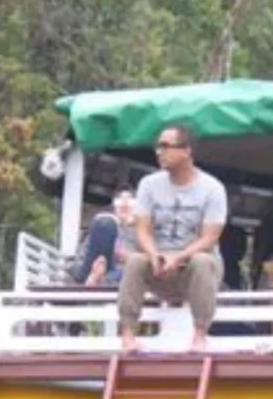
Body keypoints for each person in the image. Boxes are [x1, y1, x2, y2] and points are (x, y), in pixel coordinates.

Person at [119, 124, 227, 353]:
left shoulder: (213, 188)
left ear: (186, 151)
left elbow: (210, 238)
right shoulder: (148, 184)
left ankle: (199, 336)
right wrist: (154, 255)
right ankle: (128, 336)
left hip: (193, 269)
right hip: (159, 267)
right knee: (135, 260)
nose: (159, 151)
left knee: (203, 260)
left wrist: (178, 257)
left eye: (166, 146)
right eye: (158, 146)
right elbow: (142, 230)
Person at [71, 189, 137, 287]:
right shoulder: (102, 227)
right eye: (120, 199)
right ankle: (96, 277)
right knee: (104, 224)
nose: (124, 202)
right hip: (90, 270)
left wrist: (129, 257)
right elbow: (82, 258)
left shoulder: (141, 232)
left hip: (124, 274)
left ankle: (98, 279)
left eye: (129, 199)